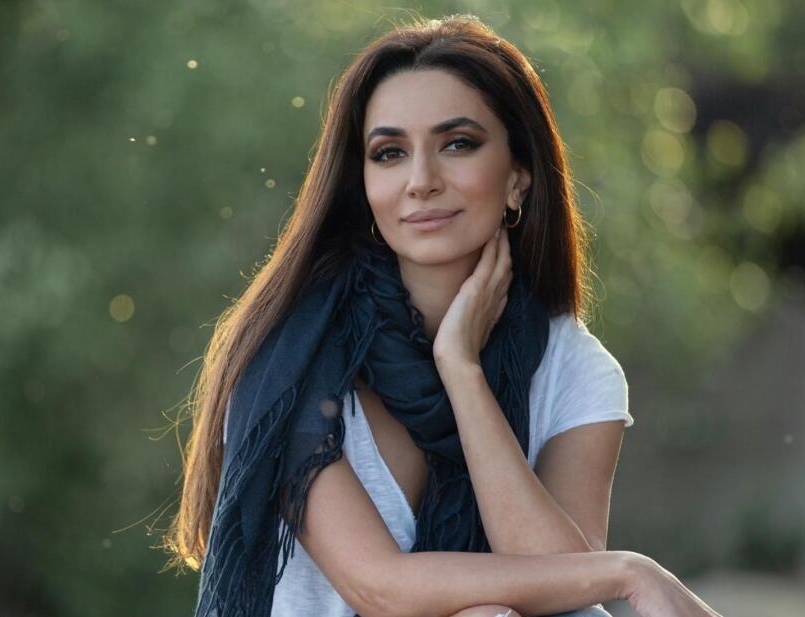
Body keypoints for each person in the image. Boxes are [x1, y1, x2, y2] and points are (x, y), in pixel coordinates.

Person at [163, 14, 724, 617]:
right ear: (362, 184)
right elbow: (377, 587)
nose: (421, 181)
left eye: (457, 144)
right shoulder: (296, 352)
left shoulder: (574, 366)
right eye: (389, 153)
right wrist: (632, 571)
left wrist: (461, 368)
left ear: (518, 178)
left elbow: (563, 594)